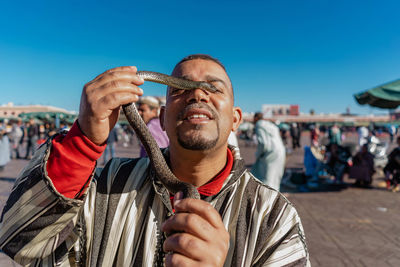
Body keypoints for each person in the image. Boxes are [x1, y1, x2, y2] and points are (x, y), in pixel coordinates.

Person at [0, 54, 309, 266]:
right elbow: (22, 243)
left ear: (235, 120)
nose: (198, 94)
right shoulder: (108, 184)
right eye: (180, 89)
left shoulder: (273, 217)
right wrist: (81, 143)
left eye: (214, 88)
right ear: (161, 119)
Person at [251, 112, 286, 190]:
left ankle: (268, 198)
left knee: (267, 177)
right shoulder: (270, 125)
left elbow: (263, 143)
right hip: (280, 151)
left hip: (270, 153)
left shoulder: (259, 125)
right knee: (276, 177)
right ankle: (275, 196)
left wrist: (258, 154)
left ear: (256, 118)